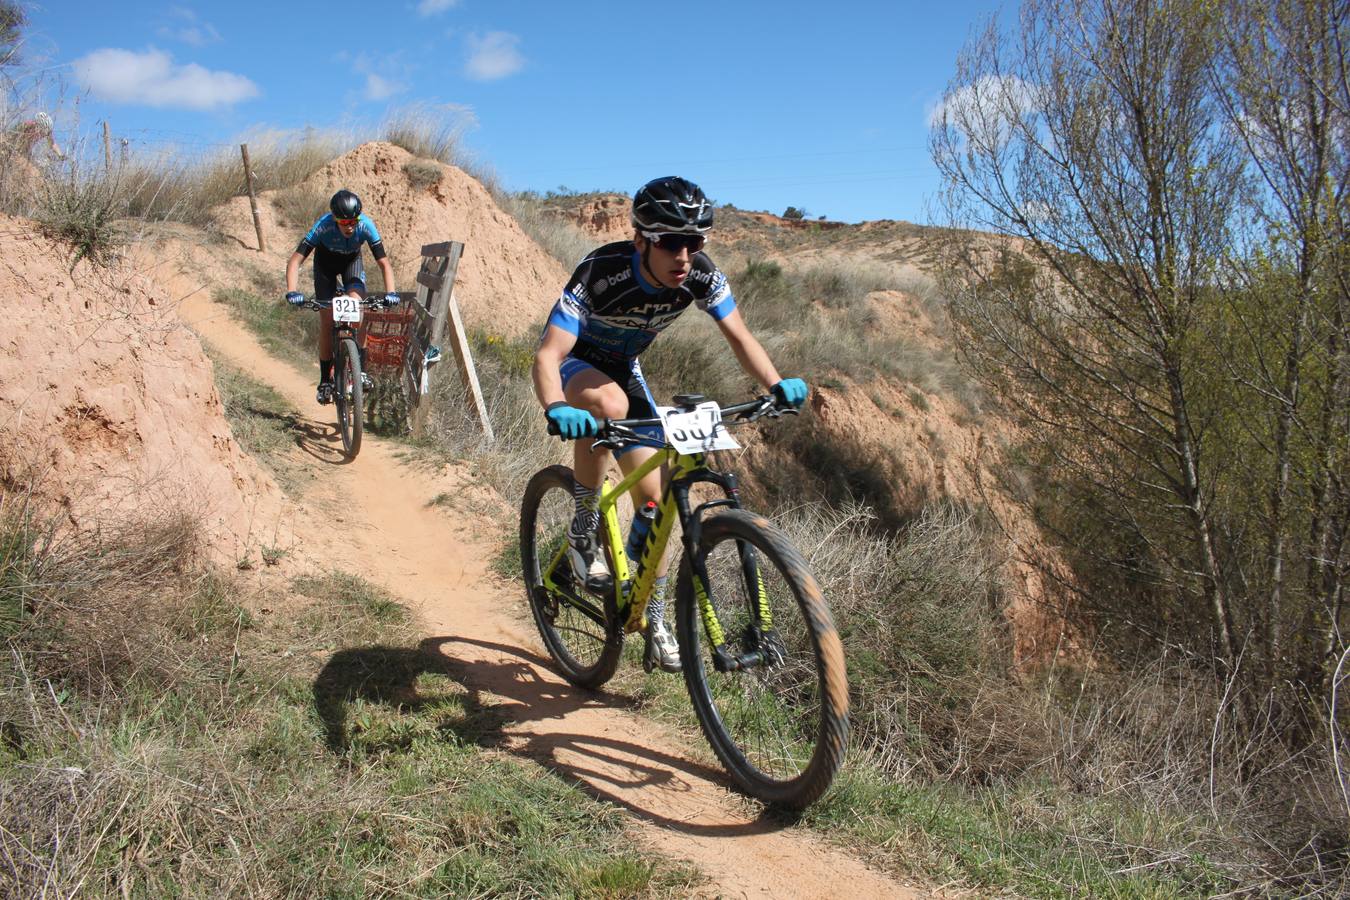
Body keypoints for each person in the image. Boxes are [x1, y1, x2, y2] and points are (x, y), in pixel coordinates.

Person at [531, 176, 809, 673]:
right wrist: (555, 406)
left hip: (625, 369)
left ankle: (652, 617)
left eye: (695, 241)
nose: (684, 255)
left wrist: (774, 384)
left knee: (657, 505)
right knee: (609, 406)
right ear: (641, 240)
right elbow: (549, 353)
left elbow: (739, 336)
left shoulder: (701, 275)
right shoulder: (601, 271)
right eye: (671, 242)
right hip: (579, 364)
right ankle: (582, 527)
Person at [283, 189, 400, 404]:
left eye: (353, 221)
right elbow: (295, 261)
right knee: (327, 322)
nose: (350, 226)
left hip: (351, 266)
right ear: (335, 219)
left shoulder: (366, 225)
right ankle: (325, 381)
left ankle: (360, 371)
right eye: (344, 222)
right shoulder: (323, 225)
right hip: (325, 268)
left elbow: (384, 263)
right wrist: (292, 291)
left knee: (359, 310)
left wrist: (391, 293)